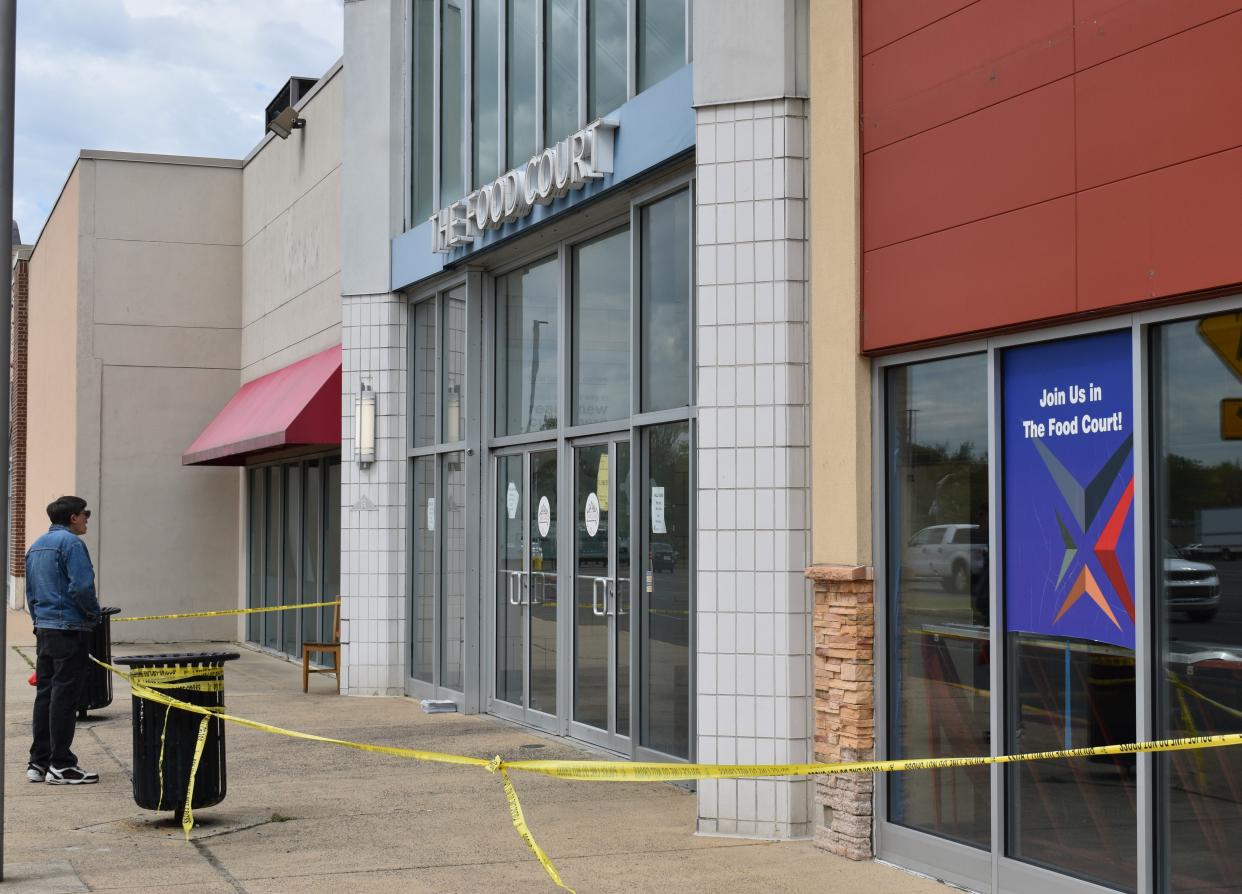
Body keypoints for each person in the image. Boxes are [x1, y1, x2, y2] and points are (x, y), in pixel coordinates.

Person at [26, 496, 101, 784]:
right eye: (85, 514)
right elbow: (82, 587)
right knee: (64, 697)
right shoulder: (71, 544)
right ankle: (61, 763)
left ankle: (38, 763)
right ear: (73, 517)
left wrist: (38, 621)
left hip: (45, 629)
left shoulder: (36, 546)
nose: (86, 519)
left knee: (45, 694)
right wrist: (93, 615)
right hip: (70, 629)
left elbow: (31, 593)